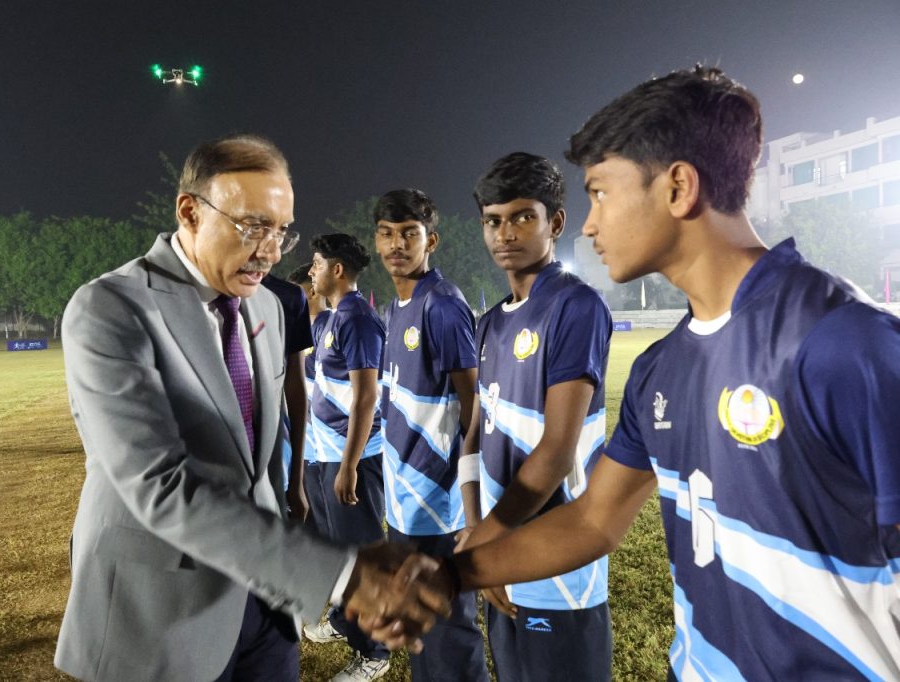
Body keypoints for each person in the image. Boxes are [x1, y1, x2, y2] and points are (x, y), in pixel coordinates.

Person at [447, 67, 900, 680]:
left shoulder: (843, 344)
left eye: (601, 193)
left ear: (679, 187)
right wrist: (448, 574)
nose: (588, 224)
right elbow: (593, 520)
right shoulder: (658, 369)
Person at [54, 135, 449, 682]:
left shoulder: (264, 305)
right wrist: (340, 574)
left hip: (265, 604)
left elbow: (255, 460)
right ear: (190, 212)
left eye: (282, 231)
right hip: (163, 611)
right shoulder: (110, 308)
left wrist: (307, 530)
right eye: (253, 226)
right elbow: (159, 486)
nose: (271, 250)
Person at [455, 152, 613, 681]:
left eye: (523, 216)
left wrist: (487, 539)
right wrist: (477, 529)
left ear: (556, 222)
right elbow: (474, 435)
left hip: (558, 564)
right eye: (493, 220)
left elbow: (557, 451)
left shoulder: (575, 307)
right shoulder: (488, 323)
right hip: (500, 552)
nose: (505, 233)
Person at [373, 188, 488, 682]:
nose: (397, 245)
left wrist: (470, 496)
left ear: (431, 241)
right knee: (421, 624)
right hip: (404, 498)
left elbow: (475, 405)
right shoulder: (396, 308)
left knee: (448, 631)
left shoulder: (441, 306)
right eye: (387, 234)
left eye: (409, 234)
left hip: (438, 502)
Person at [303, 233, 391, 681]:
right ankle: (344, 621)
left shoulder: (358, 319)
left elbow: (366, 398)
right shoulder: (333, 318)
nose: (311, 270)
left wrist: (350, 465)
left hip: (352, 459)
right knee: (338, 550)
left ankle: (375, 652)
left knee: (360, 556)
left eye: (317, 264)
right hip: (326, 455)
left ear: (337, 270)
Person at [286, 263, 334, 536]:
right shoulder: (299, 330)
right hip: (305, 447)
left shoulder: (330, 327)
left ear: (313, 292)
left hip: (325, 450)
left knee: (326, 527)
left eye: (298, 294)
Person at [262, 271, 313, 521]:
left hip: (274, 458)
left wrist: (297, 480)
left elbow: (295, 389)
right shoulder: (192, 292)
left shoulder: (288, 298)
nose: (271, 253)